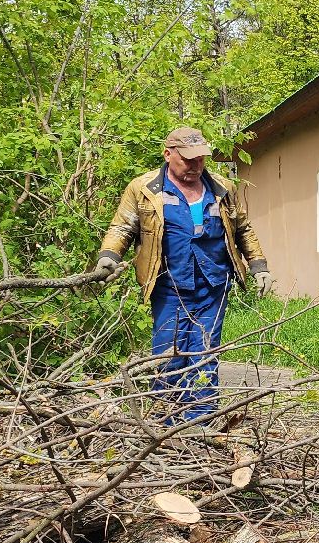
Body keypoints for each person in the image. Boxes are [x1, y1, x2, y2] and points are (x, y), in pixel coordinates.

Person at [90, 127, 271, 425]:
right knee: (168, 354)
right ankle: (166, 420)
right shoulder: (144, 188)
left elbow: (242, 229)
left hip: (213, 283)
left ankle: (201, 420)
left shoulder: (221, 187)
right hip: (168, 284)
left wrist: (259, 266)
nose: (195, 166)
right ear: (168, 154)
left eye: (200, 159)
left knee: (205, 353)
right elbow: (122, 227)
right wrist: (109, 257)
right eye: (187, 160)